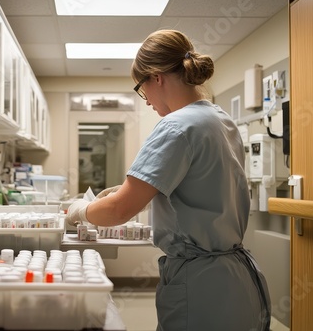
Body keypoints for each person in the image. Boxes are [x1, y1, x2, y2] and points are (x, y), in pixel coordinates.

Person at [66, 29, 271, 330]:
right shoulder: (220, 119)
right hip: (235, 280)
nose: (146, 100)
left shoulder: (175, 126)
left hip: (200, 285)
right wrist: (134, 189)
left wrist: (78, 211)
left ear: (156, 77)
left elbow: (118, 211)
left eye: (141, 88)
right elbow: (199, 189)